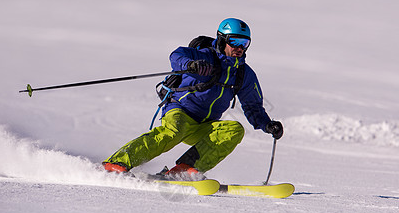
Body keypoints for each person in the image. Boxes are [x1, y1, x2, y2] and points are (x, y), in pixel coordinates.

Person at [102, 18, 283, 178]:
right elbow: (176, 55)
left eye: (245, 43)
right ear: (222, 40)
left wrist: (267, 124)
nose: (239, 48)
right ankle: (117, 163)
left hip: (203, 125)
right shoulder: (205, 55)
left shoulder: (244, 73)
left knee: (234, 129)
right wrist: (191, 64)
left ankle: (184, 170)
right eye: (234, 41)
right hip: (179, 110)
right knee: (174, 130)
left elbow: (253, 106)